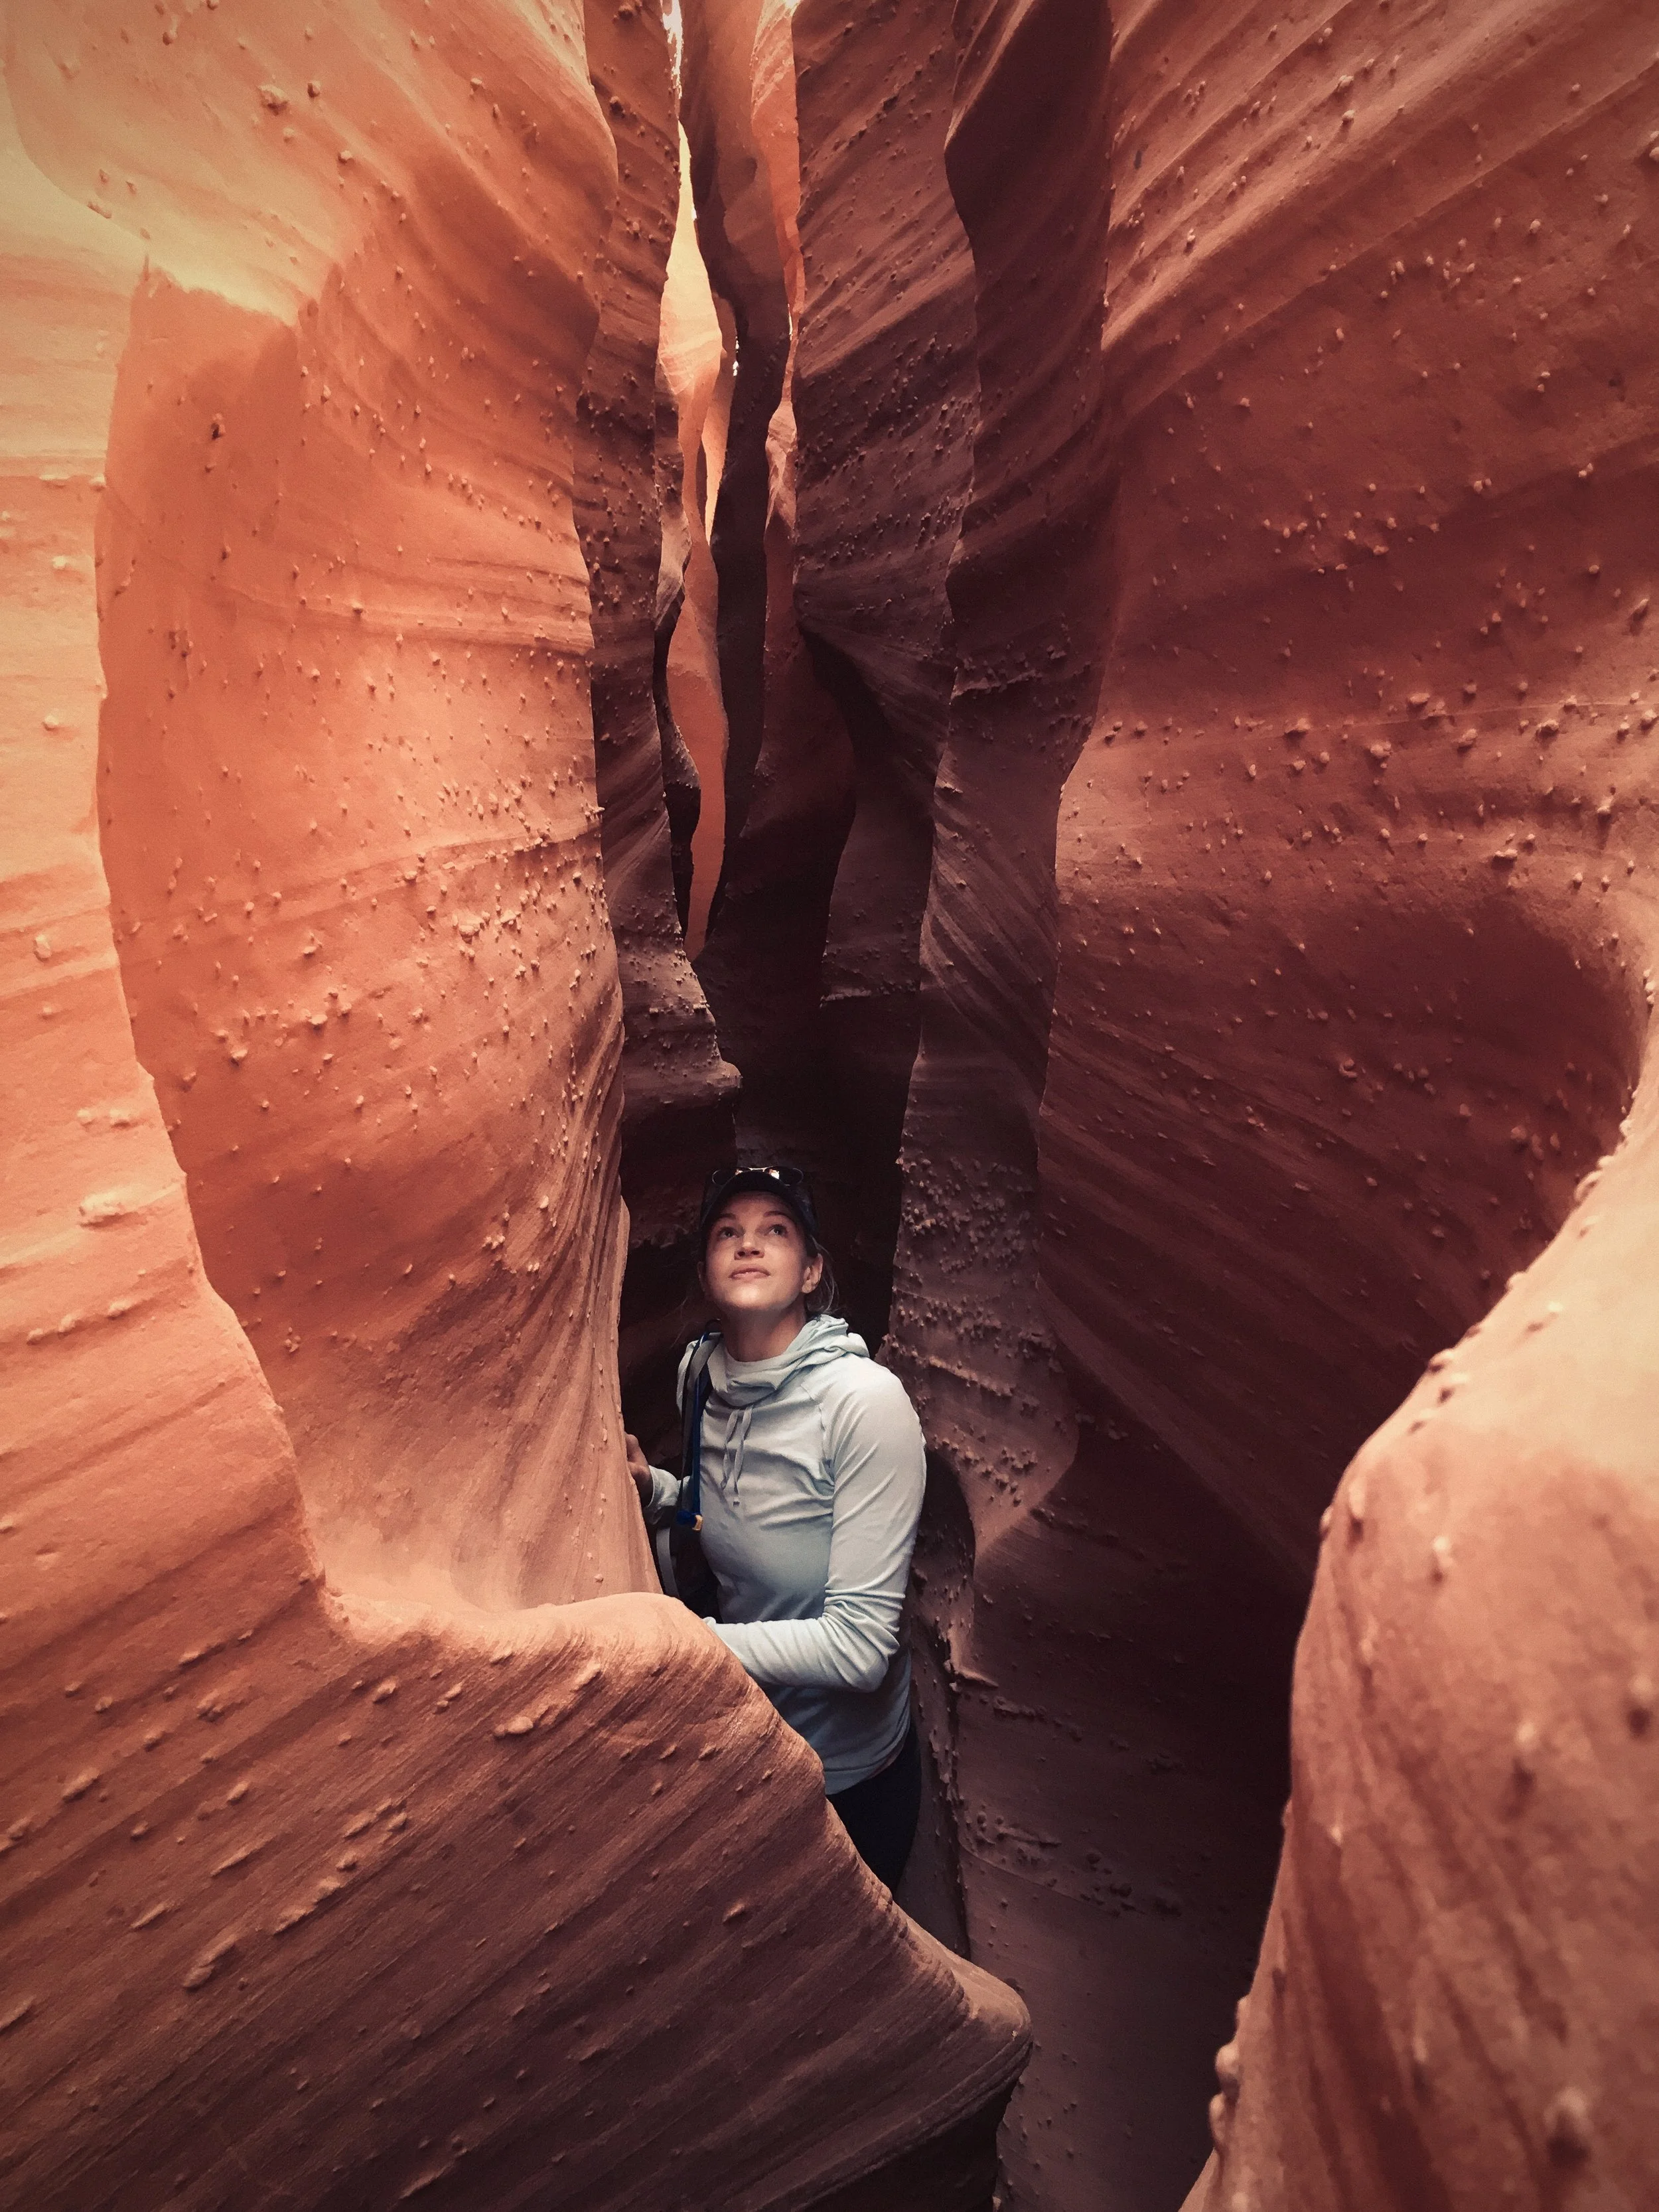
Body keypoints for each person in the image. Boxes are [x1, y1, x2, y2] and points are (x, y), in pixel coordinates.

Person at [626, 1163, 927, 1891]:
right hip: (751, 1738)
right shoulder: (701, 1374)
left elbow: (859, 1648)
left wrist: (680, 1645)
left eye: (775, 1231)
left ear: (810, 1269)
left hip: (848, 1778)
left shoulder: (861, 1404)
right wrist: (657, 1491)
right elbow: (729, 1507)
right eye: (727, 1232)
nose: (748, 1244)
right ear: (704, 1272)